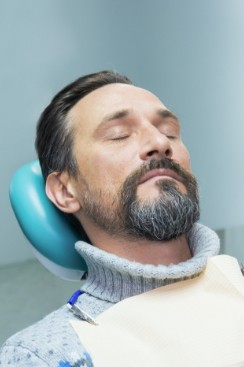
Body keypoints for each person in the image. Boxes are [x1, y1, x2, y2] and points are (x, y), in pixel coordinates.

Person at [0, 71, 220, 366]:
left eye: (169, 132)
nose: (159, 142)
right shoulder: (42, 355)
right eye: (119, 134)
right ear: (65, 191)